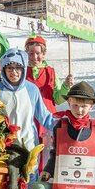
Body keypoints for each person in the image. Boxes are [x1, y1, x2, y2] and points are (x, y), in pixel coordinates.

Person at [0, 48, 55, 189]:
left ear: (23, 69)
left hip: (28, 149)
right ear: (3, 69)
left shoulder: (31, 90)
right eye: (9, 68)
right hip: (3, 150)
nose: (14, 72)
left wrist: (63, 124)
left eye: (18, 68)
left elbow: (45, 117)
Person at [24, 35, 74, 167]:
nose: (35, 57)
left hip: (46, 117)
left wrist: (65, 86)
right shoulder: (22, 71)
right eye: (31, 53)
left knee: (47, 151)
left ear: (44, 53)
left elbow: (57, 99)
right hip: (28, 117)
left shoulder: (50, 72)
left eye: (38, 53)